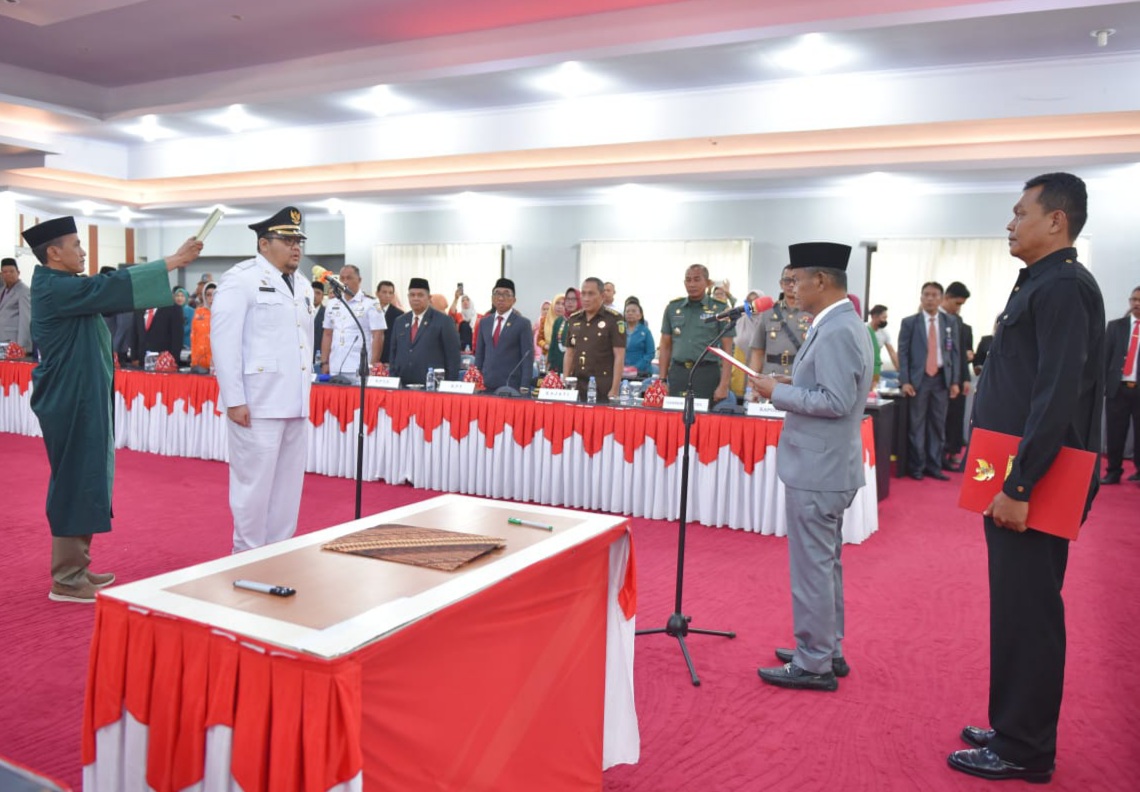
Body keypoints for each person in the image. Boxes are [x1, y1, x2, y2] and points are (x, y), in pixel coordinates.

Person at [947, 173, 1105, 784]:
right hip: (1016, 472)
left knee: (1030, 613)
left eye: (1020, 213)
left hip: (1036, 482)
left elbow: (1056, 396)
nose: (1010, 224)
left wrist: (1019, 487)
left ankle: (1026, 748)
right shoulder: (1040, 282)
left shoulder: (1063, 286)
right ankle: (1012, 725)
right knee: (1014, 609)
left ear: (1056, 221)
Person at [24, 216, 202, 602]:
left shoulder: (64, 285)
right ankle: (66, 578)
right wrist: (173, 261)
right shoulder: (55, 287)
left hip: (80, 395)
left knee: (87, 476)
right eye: (75, 244)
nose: (83, 251)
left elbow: (104, 287)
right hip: (70, 397)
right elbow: (108, 287)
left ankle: (78, 566)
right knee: (75, 479)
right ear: (53, 252)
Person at [750, 242, 872, 691]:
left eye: (796, 280)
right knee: (825, 564)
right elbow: (829, 387)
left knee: (812, 568)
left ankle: (814, 660)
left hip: (819, 469)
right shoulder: (840, 323)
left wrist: (777, 393)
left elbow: (835, 401)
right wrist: (787, 382)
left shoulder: (837, 329)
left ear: (820, 281)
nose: (791, 289)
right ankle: (825, 648)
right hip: (828, 464)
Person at [211, 207, 316, 553]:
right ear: (264, 244)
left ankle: (278, 555)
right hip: (256, 404)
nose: (296, 247)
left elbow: (304, 343)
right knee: (252, 489)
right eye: (287, 240)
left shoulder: (303, 285)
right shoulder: (240, 279)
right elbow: (224, 343)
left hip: (295, 402)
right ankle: (246, 556)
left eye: (298, 241)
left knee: (288, 489)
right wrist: (234, 399)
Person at [897, 282, 960, 480]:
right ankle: (917, 466)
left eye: (934, 295)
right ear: (921, 297)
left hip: (941, 379)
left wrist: (955, 381)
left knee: (938, 425)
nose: (930, 298)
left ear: (941, 298)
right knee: (916, 425)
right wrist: (905, 380)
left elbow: (955, 353)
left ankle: (934, 466)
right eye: (926, 294)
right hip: (919, 380)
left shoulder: (950, 322)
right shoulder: (910, 322)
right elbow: (903, 353)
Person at [659, 264, 733, 401]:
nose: (692, 284)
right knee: (675, 413)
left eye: (697, 279)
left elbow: (727, 350)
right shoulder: (673, 308)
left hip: (706, 374)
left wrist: (724, 384)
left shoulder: (720, 309)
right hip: (678, 372)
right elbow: (665, 346)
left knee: (703, 414)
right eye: (688, 280)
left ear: (707, 283)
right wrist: (662, 379)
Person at [388, 277, 461, 386]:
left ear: (429, 298)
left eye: (420, 295)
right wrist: (394, 378)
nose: (415, 298)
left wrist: (448, 386)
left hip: (432, 387)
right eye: (412, 295)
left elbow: (453, 357)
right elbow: (393, 353)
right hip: (402, 385)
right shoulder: (400, 321)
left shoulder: (443, 321)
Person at [1101, 285, 1140, 484]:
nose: (1136, 303)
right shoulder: (1116, 327)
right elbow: (1105, 358)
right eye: (1134, 299)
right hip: (1118, 388)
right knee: (1115, 432)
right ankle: (1113, 471)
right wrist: (1103, 386)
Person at [564, 277, 625, 403]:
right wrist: (566, 381)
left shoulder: (614, 319)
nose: (586, 298)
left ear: (602, 296)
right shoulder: (574, 319)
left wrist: (614, 389)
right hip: (578, 384)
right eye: (583, 293)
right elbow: (569, 353)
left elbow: (619, 356)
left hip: (603, 385)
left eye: (591, 294)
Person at [319, 265, 386, 376]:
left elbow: (378, 335)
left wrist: (372, 365)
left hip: (359, 366)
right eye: (342, 278)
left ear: (359, 280)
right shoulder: (332, 303)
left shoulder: (371, 303)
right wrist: (324, 362)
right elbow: (327, 334)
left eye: (349, 278)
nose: (345, 282)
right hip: (335, 364)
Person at [748, 266, 811, 380]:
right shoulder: (768, 312)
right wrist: (752, 383)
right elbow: (757, 352)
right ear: (781, 284)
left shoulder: (811, 313)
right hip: (771, 379)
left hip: (799, 379)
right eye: (787, 280)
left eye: (795, 280)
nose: (791, 284)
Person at [473, 278, 533, 391]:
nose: (501, 298)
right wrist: (475, 379)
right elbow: (479, 355)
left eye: (506, 294)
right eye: (497, 294)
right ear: (492, 298)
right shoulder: (484, 322)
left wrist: (525, 385)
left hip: (511, 386)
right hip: (486, 384)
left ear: (514, 300)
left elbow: (527, 358)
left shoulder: (523, 323)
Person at [942, 281, 973, 471]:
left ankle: (952, 452)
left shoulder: (959, 323)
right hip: (938, 377)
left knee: (956, 416)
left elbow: (961, 353)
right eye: (957, 303)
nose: (958, 308)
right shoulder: (933, 318)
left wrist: (966, 378)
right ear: (947, 297)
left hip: (958, 377)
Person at [131, 292, 184, 365]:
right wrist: (134, 357)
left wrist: (173, 361)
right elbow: (134, 334)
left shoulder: (173, 309)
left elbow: (177, 338)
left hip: (164, 362)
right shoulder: (139, 309)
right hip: (141, 361)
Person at [0, 257, 32, 349]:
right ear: (1, 274)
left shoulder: (23, 291)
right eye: (5, 272)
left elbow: (25, 319)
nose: (8, 274)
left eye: (11, 271)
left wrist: (22, 345)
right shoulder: (2, 290)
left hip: (13, 341)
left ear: (18, 272)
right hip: (2, 339)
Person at [623, 298, 655, 377]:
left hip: (641, 373)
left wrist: (636, 368)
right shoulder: (619, 330)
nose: (630, 313)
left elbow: (650, 353)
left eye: (633, 311)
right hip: (621, 371)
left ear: (640, 315)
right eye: (627, 311)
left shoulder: (645, 331)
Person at [548, 288, 577, 375]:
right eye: (567, 299)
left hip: (576, 366)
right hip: (558, 364)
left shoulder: (582, 320)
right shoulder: (559, 321)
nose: (570, 302)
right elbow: (553, 345)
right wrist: (550, 363)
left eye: (573, 299)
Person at [190, 282, 216, 370]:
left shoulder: (223, 314)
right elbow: (193, 337)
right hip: (199, 362)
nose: (211, 298)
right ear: (204, 296)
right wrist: (193, 361)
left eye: (214, 294)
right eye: (208, 295)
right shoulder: (198, 312)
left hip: (217, 362)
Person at [376, 280, 403, 365]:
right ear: (377, 293)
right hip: (370, 356)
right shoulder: (369, 310)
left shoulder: (399, 315)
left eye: (390, 293)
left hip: (388, 359)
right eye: (384, 292)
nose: (387, 295)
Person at [867, 305, 899, 370]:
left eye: (886, 318)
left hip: (876, 368)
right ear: (874, 316)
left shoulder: (884, 333)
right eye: (884, 318)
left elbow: (892, 352)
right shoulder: (863, 329)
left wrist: (900, 369)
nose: (885, 321)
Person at [173, 286, 193, 351]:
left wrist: (178, 331)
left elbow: (190, 325)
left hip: (187, 342)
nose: (179, 298)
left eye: (182, 296)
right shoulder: (171, 311)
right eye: (177, 296)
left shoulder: (191, 311)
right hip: (174, 342)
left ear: (186, 298)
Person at [311, 279, 326, 366]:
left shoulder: (326, 313)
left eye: (318, 293)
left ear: (322, 296)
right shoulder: (302, 312)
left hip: (319, 357)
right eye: (312, 293)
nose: (314, 296)